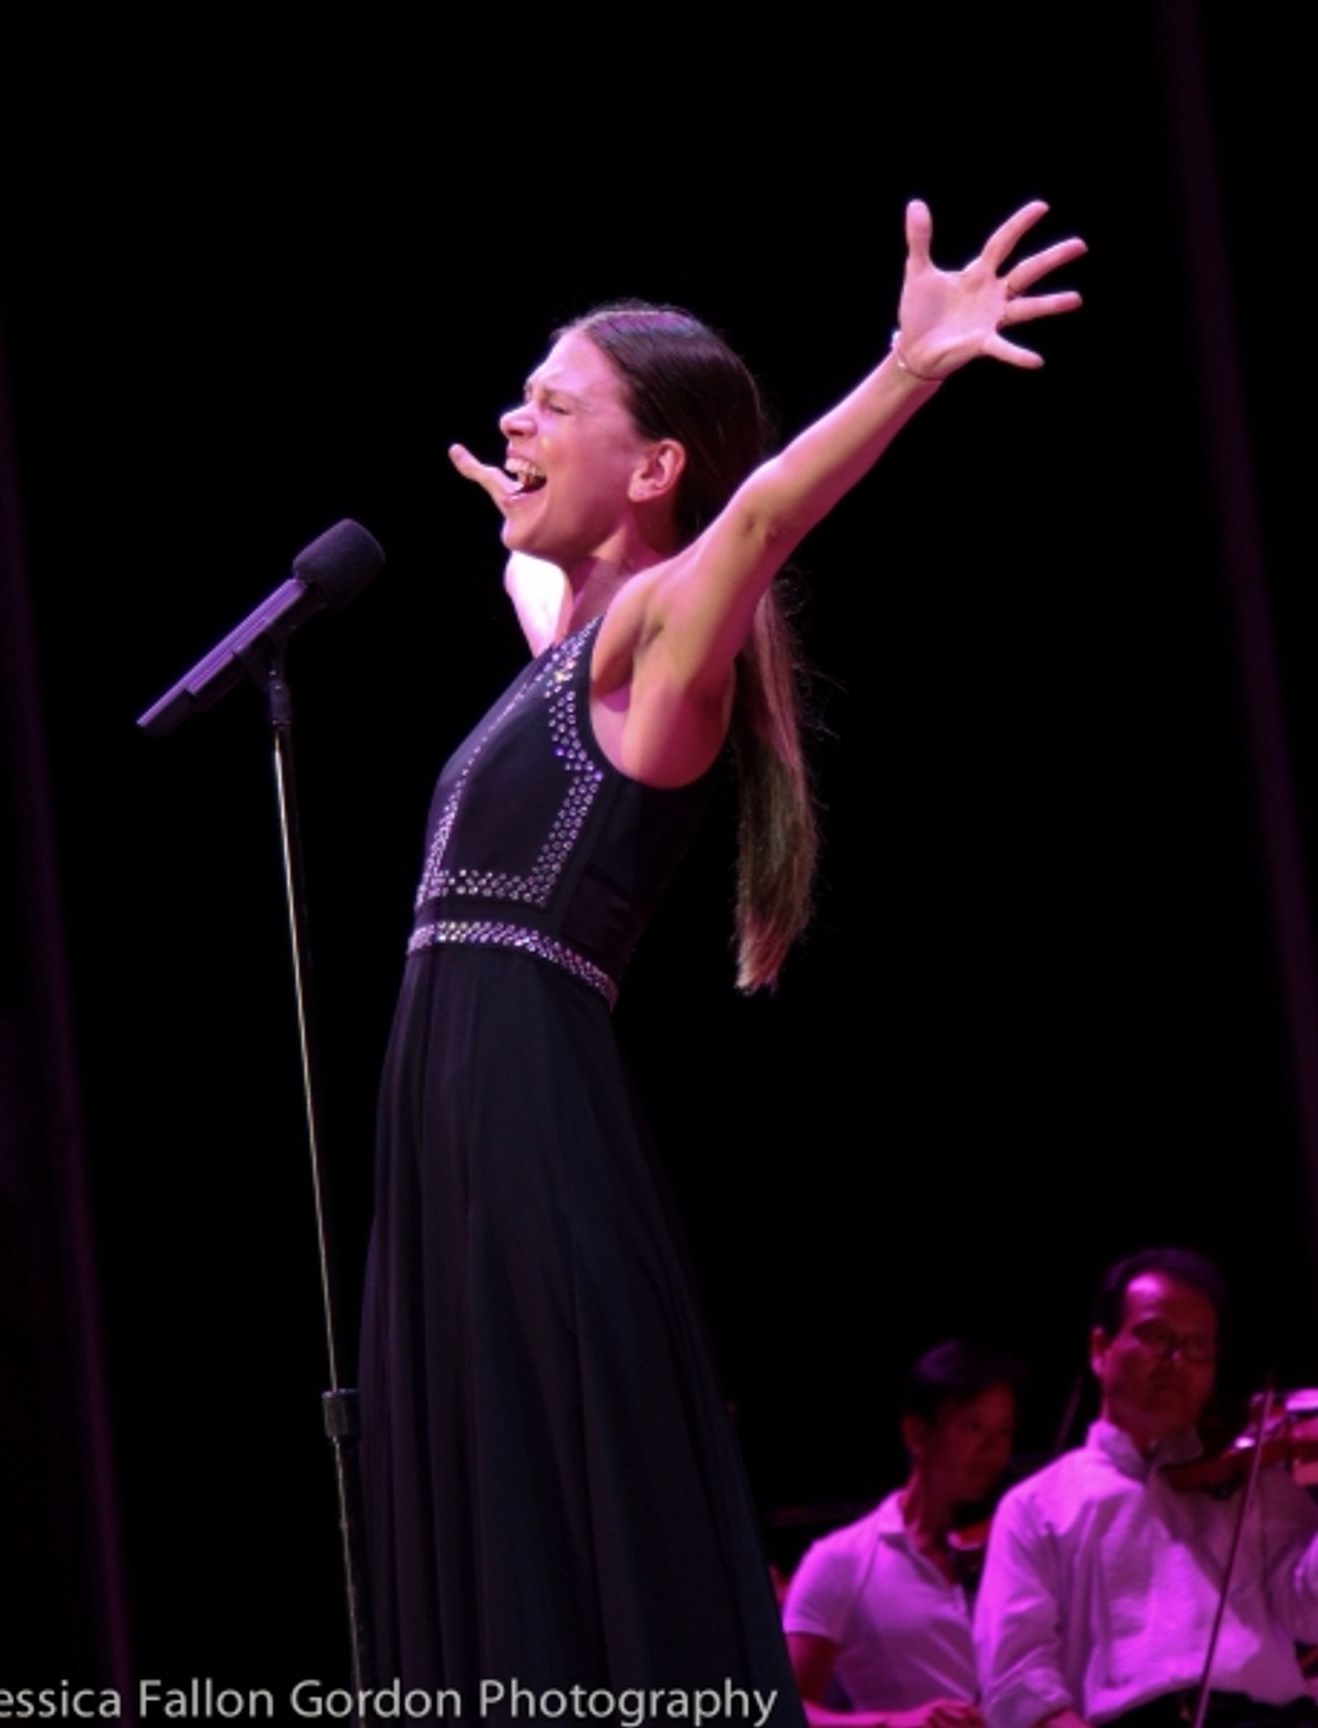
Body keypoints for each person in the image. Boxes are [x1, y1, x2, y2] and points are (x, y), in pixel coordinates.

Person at [357, 201, 1085, 1718]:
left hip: (531, 1122)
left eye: (556, 400)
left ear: (659, 466)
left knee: (556, 1479)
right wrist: (537, 520)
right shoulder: (577, 642)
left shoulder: (668, 644)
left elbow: (752, 525)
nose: (518, 414)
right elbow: (543, 593)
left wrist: (906, 368)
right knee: (493, 1477)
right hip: (462, 1130)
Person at [974, 1248, 1318, 1728]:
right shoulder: (1036, 1507)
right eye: (1156, 1337)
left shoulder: (1254, 1482)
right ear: (1100, 1349)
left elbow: (1309, 1613)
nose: (1177, 1361)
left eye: (1199, 1347)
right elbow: (1017, 1682)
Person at [782, 1342, 1020, 1728]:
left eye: (1005, 1431)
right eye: (973, 1426)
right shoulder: (843, 1560)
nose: (993, 1449)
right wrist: (896, 1723)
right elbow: (782, 1711)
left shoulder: (1017, 1542)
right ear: (916, 1435)